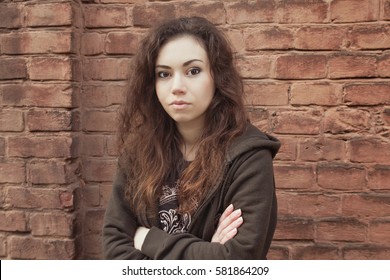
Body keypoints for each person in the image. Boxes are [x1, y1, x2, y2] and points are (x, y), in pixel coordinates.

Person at [102, 16, 280, 260]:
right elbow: (115, 250)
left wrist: (147, 239)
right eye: (164, 74)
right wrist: (207, 250)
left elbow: (237, 261)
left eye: (193, 71)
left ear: (217, 76)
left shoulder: (248, 156)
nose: (177, 86)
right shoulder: (138, 151)